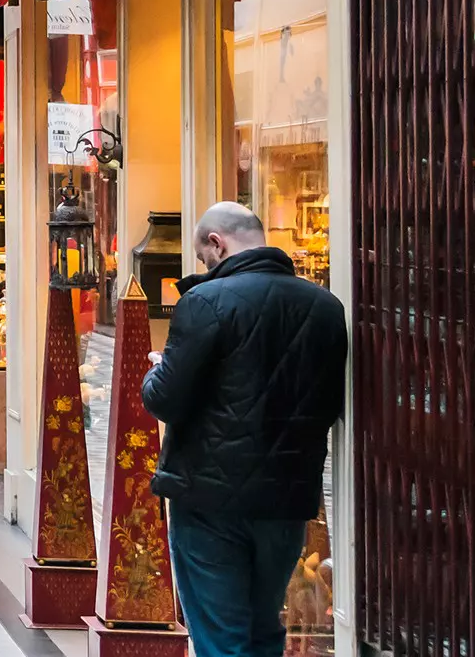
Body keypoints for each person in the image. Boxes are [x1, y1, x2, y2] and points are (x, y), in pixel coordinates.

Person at [142, 201, 347, 657]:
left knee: (222, 638)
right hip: (287, 502)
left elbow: (165, 399)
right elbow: (330, 404)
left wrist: (157, 369)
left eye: (203, 256)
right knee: (262, 632)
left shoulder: (204, 302)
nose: (204, 266)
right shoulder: (325, 307)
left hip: (210, 501)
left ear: (217, 243)